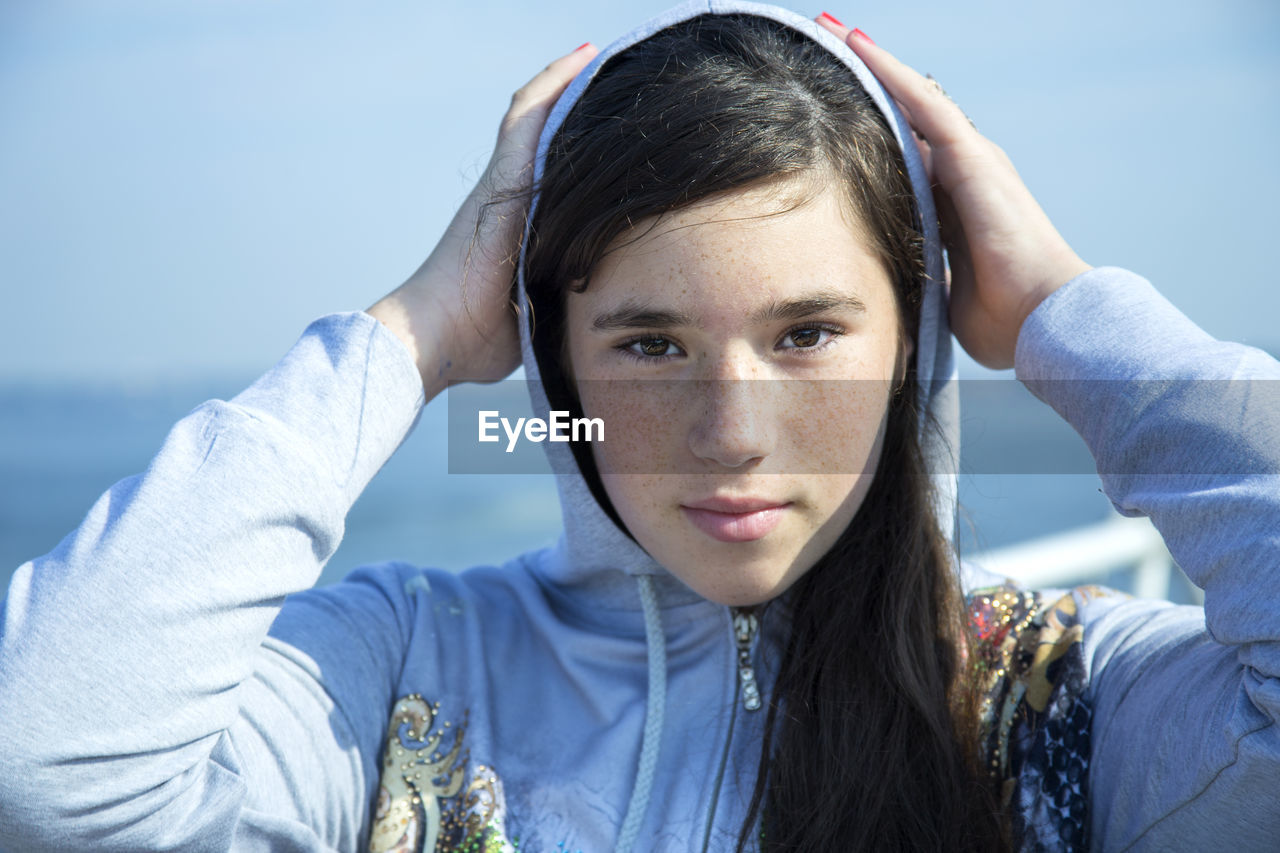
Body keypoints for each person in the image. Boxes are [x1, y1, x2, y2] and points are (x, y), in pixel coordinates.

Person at [1, 2, 1277, 851]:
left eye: (806, 334)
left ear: (916, 338)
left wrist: (1064, 310)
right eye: (648, 343)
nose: (727, 430)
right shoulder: (403, 673)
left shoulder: (1063, 700)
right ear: (555, 354)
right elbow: (45, 757)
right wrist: (416, 330)